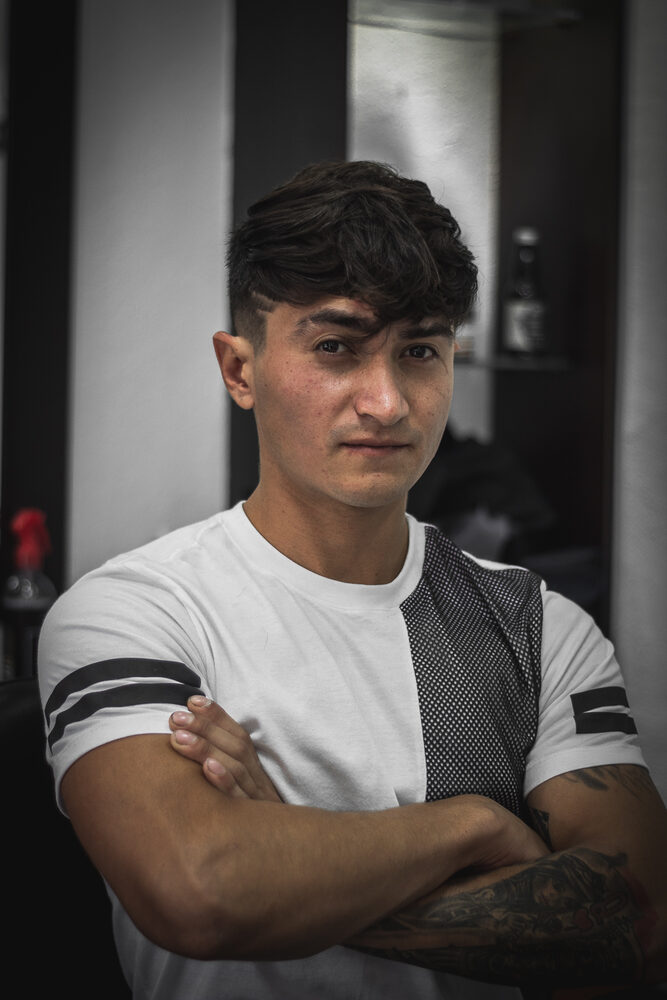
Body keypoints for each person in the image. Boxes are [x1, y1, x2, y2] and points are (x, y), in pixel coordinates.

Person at [38, 160, 667, 1000]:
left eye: (419, 351)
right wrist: (473, 825)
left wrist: (278, 856)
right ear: (239, 369)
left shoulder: (539, 628)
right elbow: (199, 891)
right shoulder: (137, 611)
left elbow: (636, 919)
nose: (387, 401)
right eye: (335, 347)